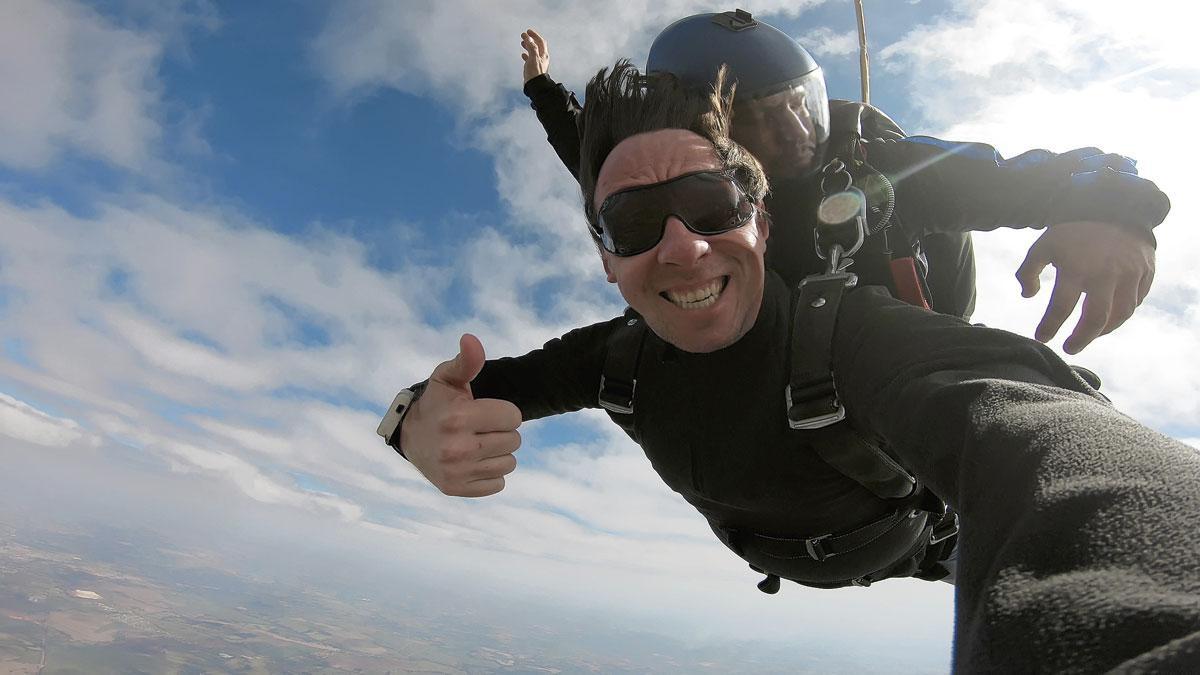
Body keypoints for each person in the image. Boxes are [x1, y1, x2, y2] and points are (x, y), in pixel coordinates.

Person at [381, 61, 1199, 671]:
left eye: (709, 207)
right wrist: (410, 425)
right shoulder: (612, 358)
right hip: (807, 549)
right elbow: (446, 396)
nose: (683, 247)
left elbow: (1046, 435)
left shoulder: (849, 335)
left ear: (762, 224)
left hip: (923, 545)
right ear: (606, 261)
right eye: (633, 223)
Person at [519, 11, 1168, 354]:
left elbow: (1016, 172)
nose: (799, 138)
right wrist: (543, 88)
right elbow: (588, 156)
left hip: (909, 368)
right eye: (763, 125)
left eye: (801, 109)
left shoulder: (874, 169)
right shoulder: (678, 196)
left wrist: (1114, 213)